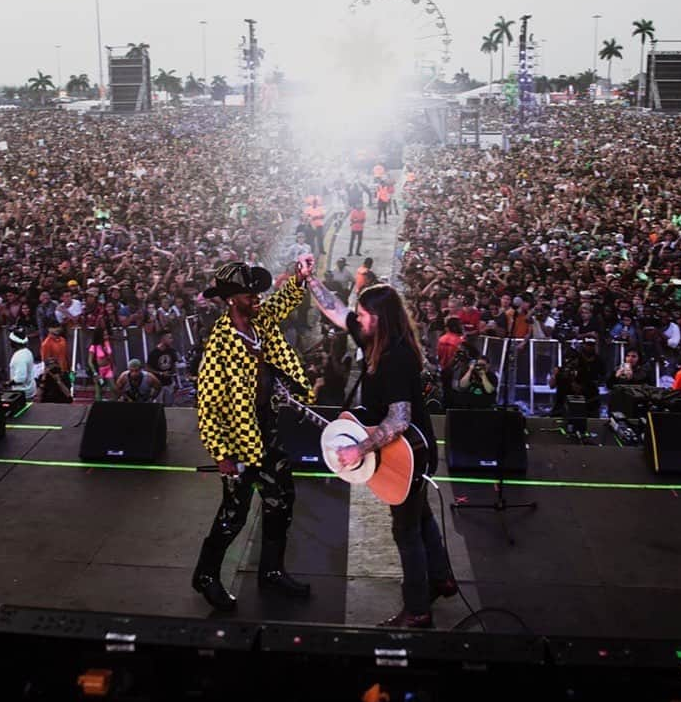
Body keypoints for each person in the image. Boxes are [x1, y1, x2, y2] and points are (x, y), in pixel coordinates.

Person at [304, 262, 455, 628]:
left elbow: (399, 420)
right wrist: (309, 279)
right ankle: (442, 577)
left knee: (405, 530)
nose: (358, 317)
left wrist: (360, 449)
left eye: (365, 313)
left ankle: (417, 608)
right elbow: (337, 311)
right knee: (420, 516)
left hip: (409, 453)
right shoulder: (373, 337)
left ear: (380, 320)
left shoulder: (395, 357)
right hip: (411, 452)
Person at [192, 259, 316, 612]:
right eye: (251, 293)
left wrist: (298, 278)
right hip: (238, 441)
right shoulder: (220, 344)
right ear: (232, 299)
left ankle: (272, 571)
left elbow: (281, 302)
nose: (258, 297)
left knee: (281, 502)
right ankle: (206, 576)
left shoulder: (259, 321)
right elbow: (209, 404)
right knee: (234, 515)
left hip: (269, 430)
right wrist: (220, 454)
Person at [147, 330, 180, 405]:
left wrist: (176, 382)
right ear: (163, 339)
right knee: (158, 406)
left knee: (169, 406)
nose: (172, 340)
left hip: (169, 383)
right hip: (158, 385)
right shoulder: (154, 353)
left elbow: (174, 367)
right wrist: (160, 373)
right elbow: (148, 368)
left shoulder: (172, 351)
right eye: (169, 338)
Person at [87, 325, 117, 401]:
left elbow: (110, 356)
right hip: (99, 370)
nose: (106, 336)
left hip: (108, 368)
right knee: (99, 391)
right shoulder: (94, 346)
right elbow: (90, 362)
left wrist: (113, 366)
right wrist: (95, 373)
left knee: (114, 388)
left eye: (107, 334)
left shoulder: (107, 343)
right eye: (104, 335)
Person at [8, 327, 37, 400]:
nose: (9, 343)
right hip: (30, 389)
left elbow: (20, 378)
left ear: (15, 343)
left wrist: (8, 383)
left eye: (10, 341)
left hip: (23, 393)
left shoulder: (19, 357)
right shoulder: (27, 352)